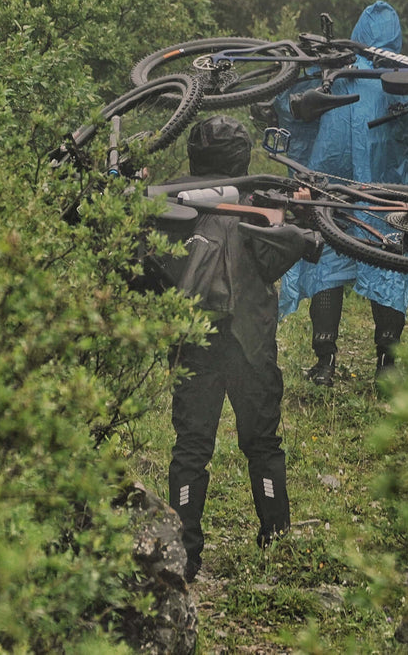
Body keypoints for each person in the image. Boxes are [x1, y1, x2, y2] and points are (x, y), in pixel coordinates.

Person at [271, 0, 408, 385]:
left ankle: (325, 361)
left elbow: (289, 110)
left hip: (330, 185)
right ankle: (387, 362)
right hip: (386, 191)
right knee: (390, 262)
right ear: (394, 40)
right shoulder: (400, 80)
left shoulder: (331, 71)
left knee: (326, 259)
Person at [148, 114, 321, 581]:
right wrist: (304, 216)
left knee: (191, 445)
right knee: (263, 442)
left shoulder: (170, 202)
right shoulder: (260, 206)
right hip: (250, 340)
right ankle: (276, 536)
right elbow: (289, 253)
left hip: (195, 338)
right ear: (242, 158)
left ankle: (186, 552)